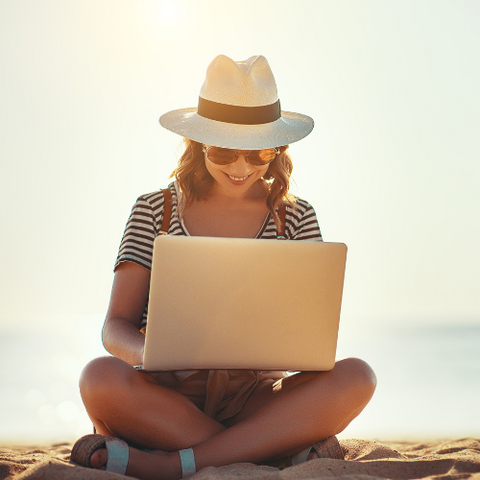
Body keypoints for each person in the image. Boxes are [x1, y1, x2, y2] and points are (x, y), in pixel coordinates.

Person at [71, 55, 377, 480]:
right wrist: (152, 355)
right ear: (198, 144)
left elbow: (310, 334)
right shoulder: (153, 209)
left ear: (279, 150)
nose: (240, 168)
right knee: (98, 378)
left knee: (357, 377)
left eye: (259, 155)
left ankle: (175, 462)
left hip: (255, 396)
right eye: (224, 151)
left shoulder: (296, 217)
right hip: (167, 395)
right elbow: (114, 327)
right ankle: (269, 449)